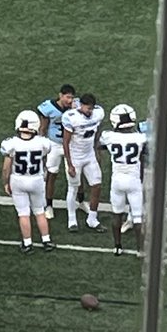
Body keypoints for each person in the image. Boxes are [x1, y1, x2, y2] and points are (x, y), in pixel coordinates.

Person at [0, 110, 54, 252]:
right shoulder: (43, 142)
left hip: (18, 179)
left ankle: (27, 243)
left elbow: (6, 167)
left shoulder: (11, 143)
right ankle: (46, 240)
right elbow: (45, 158)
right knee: (39, 211)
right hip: (36, 179)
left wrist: (5, 182)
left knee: (23, 213)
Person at [99, 104, 146, 256]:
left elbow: (100, 146)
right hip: (134, 180)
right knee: (137, 217)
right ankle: (140, 250)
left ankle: (117, 246)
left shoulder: (109, 136)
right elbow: (143, 155)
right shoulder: (140, 138)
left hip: (117, 180)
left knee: (117, 214)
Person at [61, 93, 105, 232]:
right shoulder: (71, 118)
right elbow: (66, 142)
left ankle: (92, 219)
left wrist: (97, 151)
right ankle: (71, 219)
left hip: (89, 155)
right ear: (81, 105)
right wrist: (70, 163)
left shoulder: (98, 113)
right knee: (73, 187)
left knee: (97, 185)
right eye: (87, 108)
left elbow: (97, 132)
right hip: (75, 157)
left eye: (91, 108)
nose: (89, 111)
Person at [37, 84, 75, 218]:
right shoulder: (50, 107)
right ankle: (48, 204)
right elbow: (43, 127)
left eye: (71, 97)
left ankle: (80, 201)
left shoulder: (75, 107)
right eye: (67, 97)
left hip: (71, 145)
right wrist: (41, 145)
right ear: (60, 95)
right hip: (54, 144)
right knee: (51, 175)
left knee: (76, 174)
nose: (69, 101)